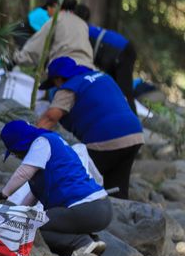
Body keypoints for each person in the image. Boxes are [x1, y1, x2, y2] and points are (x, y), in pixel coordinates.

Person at [0, 120, 111, 256]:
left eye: (15, 152)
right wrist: (15, 216)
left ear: (21, 144)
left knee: (34, 226)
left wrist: (4, 193)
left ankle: (81, 242)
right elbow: (32, 196)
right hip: (100, 206)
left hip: (85, 208)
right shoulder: (53, 146)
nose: (18, 157)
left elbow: (24, 172)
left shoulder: (41, 142)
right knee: (33, 221)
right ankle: (93, 241)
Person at [35, 56, 143, 199]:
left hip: (106, 139)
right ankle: (120, 216)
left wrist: (32, 146)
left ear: (59, 78)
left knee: (75, 181)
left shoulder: (68, 88)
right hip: (134, 134)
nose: (56, 88)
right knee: (117, 188)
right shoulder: (104, 77)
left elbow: (50, 118)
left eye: (54, 83)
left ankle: (71, 215)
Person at [74, 4, 137, 112]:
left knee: (124, 91)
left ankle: (132, 120)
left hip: (122, 53)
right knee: (113, 89)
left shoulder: (83, 32)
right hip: (118, 53)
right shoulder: (87, 30)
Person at [14, 0, 95, 70]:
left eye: (48, 8)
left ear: (55, 6)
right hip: (86, 66)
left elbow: (36, 47)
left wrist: (16, 59)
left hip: (22, 29)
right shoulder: (82, 24)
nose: (47, 12)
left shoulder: (55, 20)